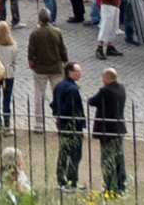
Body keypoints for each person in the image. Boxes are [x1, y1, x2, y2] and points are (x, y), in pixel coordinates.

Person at [89, 66, 128, 195]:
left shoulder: (106, 91)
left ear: (107, 78)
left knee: (107, 160)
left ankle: (111, 187)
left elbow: (93, 101)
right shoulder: (121, 88)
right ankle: (121, 185)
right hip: (119, 129)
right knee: (119, 158)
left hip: (107, 130)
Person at [28, 9, 69, 124]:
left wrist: (32, 64)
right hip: (56, 68)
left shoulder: (35, 33)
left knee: (39, 95)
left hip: (40, 69)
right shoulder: (57, 31)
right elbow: (63, 50)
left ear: (39, 19)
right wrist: (66, 64)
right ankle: (60, 119)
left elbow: (31, 53)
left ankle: (39, 122)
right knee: (58, 95)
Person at [52, 62, 87, 192]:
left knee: (63, 153)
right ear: (69, 72)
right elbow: (71, 108)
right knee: (74, 154)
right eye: (77, 72)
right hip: (72, 126)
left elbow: (54, 104)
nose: (79, 74)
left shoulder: (59, 86)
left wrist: (57, 117)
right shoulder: (72, 90)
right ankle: (71, 181)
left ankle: (62, 180)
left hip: (62, 124)